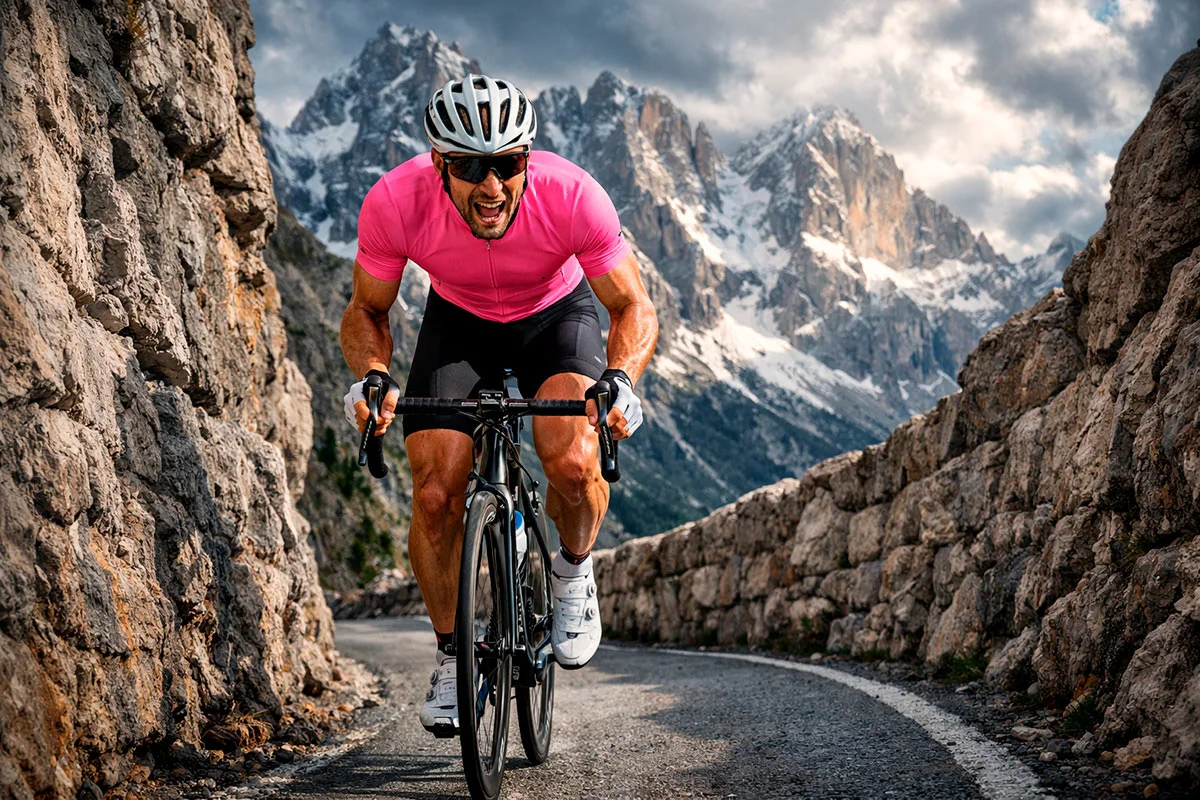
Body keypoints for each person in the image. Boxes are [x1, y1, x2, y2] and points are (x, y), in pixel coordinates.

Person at [339, 74, 658, 736]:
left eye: (508, 165)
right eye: (470, 167)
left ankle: (572, 571)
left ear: (528, 160)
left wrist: (623, 377)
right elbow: (366, 310)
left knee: (572, 460)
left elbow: (631, 305)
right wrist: (372, 375)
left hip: (555, 317)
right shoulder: (396, 202)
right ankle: (453, 657)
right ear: (439, 165)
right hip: (459, 322)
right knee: (433, 494)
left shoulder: (573, 197)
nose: (492, 187)